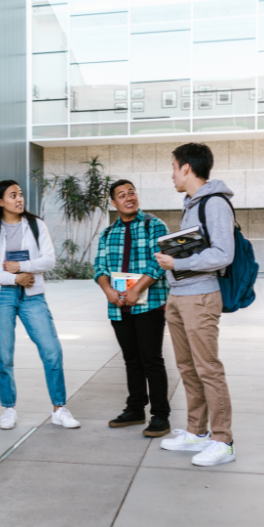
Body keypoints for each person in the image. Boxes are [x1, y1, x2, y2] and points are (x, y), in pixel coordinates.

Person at [154, 143, 237, 467]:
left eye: (174, 167)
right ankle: (197, 431)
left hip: (200, 296)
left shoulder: (214, 203)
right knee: (187, 368)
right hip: (180, 295)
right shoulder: (192, 204)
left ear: (186, 168)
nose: (172, 175)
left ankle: (223, 440)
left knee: (208, 369)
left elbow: (223, 254)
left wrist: (177, 265)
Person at [0, 180, 80, 430]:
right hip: (1, 297)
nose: (19, 199)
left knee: (52, 350)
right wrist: (14, 278)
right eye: (13, 195)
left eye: (20, 194)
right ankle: (8, 409)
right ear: (0, 202)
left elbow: (49, 260)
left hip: (32, 295)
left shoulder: (35, 225)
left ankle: (59, 409)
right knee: (5, 356)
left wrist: (22, 267)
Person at [94, 179, 172, 437]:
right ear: (113, 202)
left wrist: (136, 289)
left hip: (149, 304)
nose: (129, 198)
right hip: (118, 306)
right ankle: (135, 409)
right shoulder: (107, 233)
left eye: (132, 192)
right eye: (122, 195)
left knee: (152, 360)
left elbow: (159, 263)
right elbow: (100, 267)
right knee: (131, 360)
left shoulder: (154, 225)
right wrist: (108, 290)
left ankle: (160, 416)